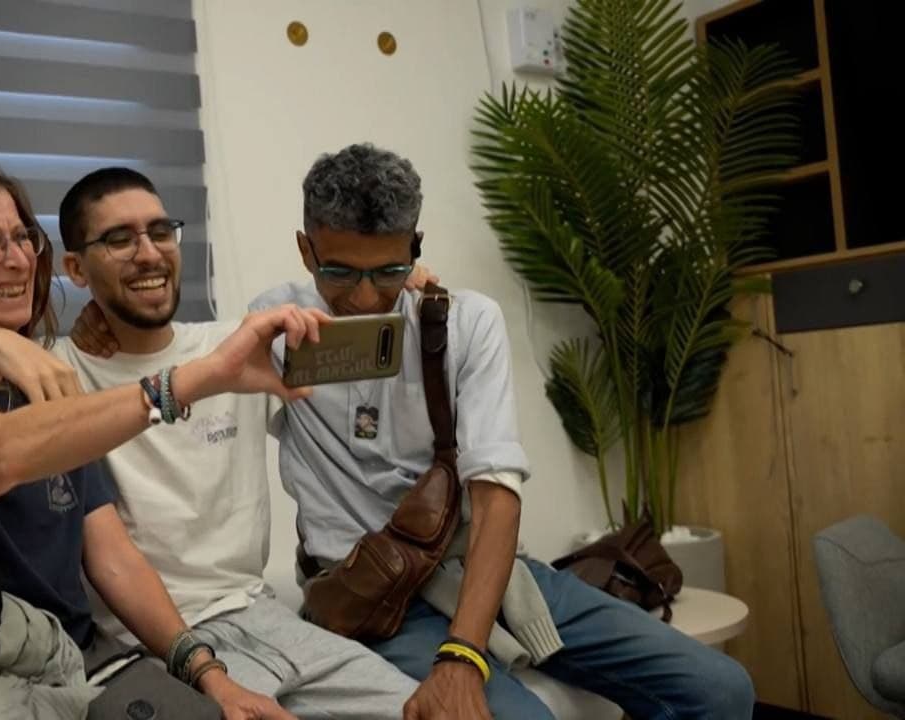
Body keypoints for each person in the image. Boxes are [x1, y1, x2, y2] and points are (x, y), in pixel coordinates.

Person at [0, 166, 420, 719]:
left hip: (70, 671)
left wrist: (212, 677)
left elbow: (114, 560)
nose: (19, 258)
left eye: (24, 238)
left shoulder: (55, 396)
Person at [242, 143, 756, 719]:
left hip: (480, 568)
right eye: (339, 272)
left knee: (721, 689)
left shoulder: (463, 321)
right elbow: (182, 388)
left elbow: (495, 498)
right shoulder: (273, 327)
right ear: (305, 250)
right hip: (366, 595)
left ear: (415, 247)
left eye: (388, 271)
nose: (364, 297)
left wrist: (463, 655)